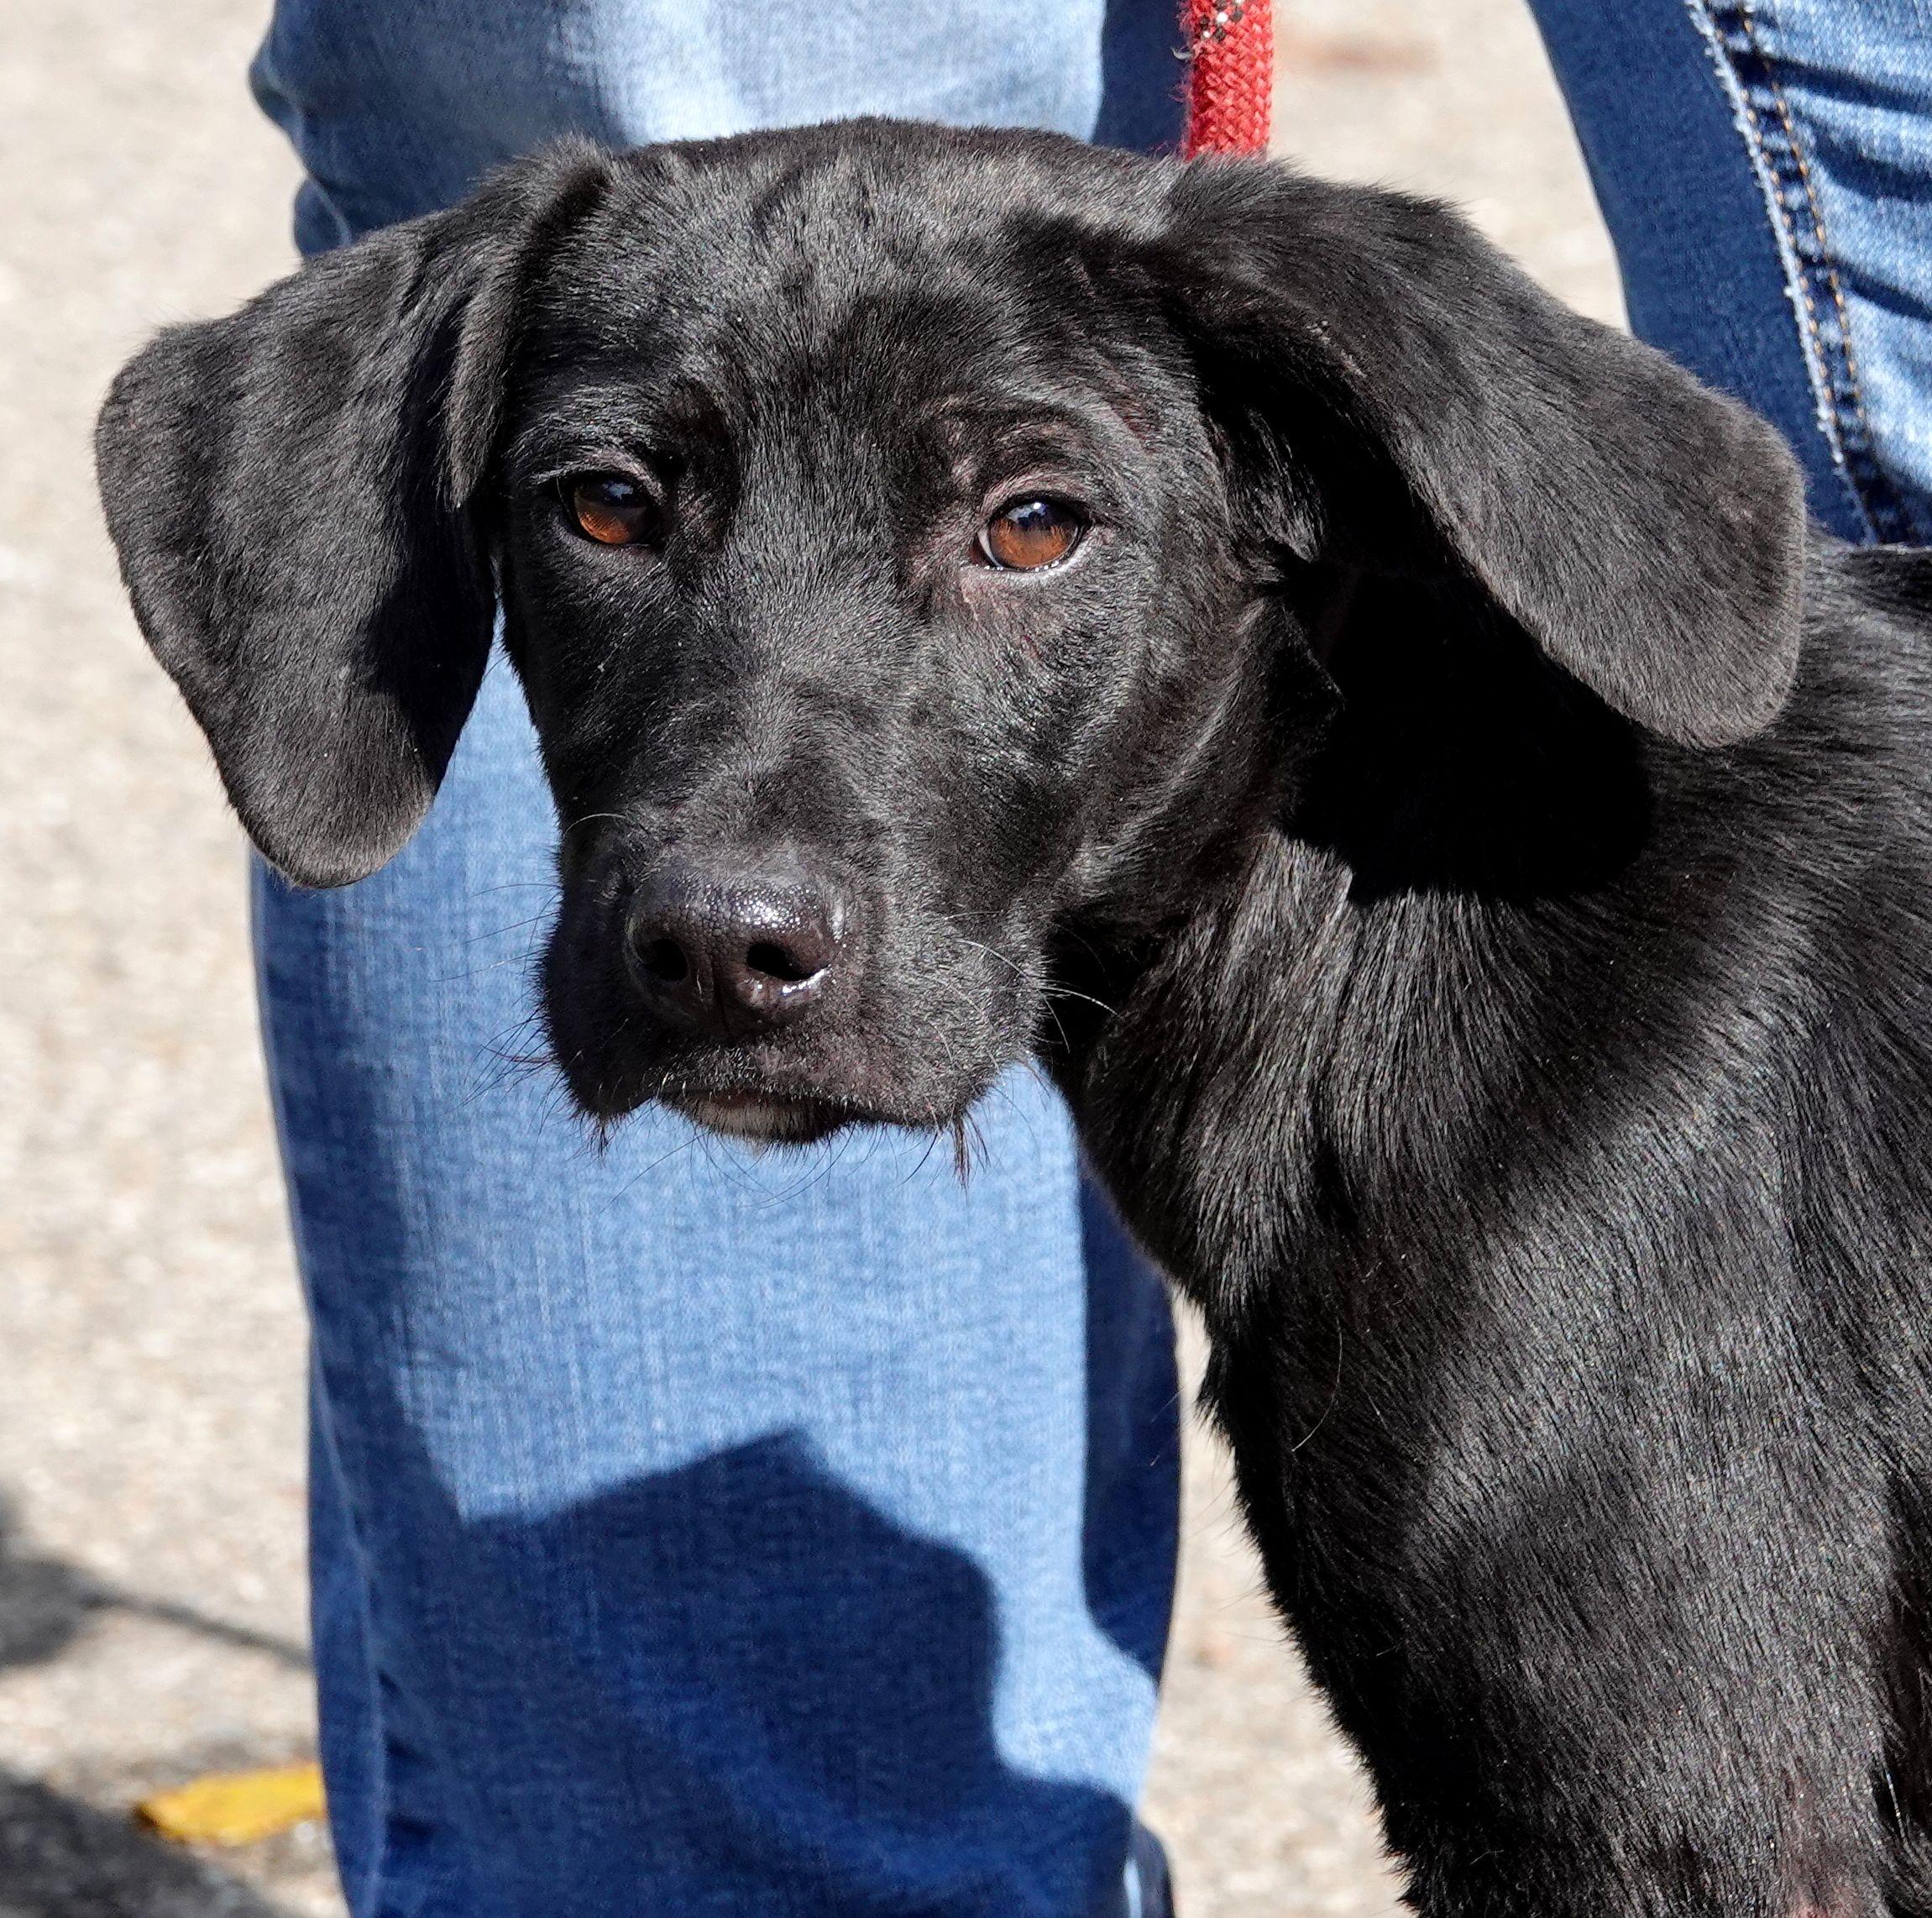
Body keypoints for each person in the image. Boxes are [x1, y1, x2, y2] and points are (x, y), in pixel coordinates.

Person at [241, 1, 1932, 1912]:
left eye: (1027, 523)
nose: (733, 894)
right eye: (614, 507)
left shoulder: (1562, 1252)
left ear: (1300, 493)